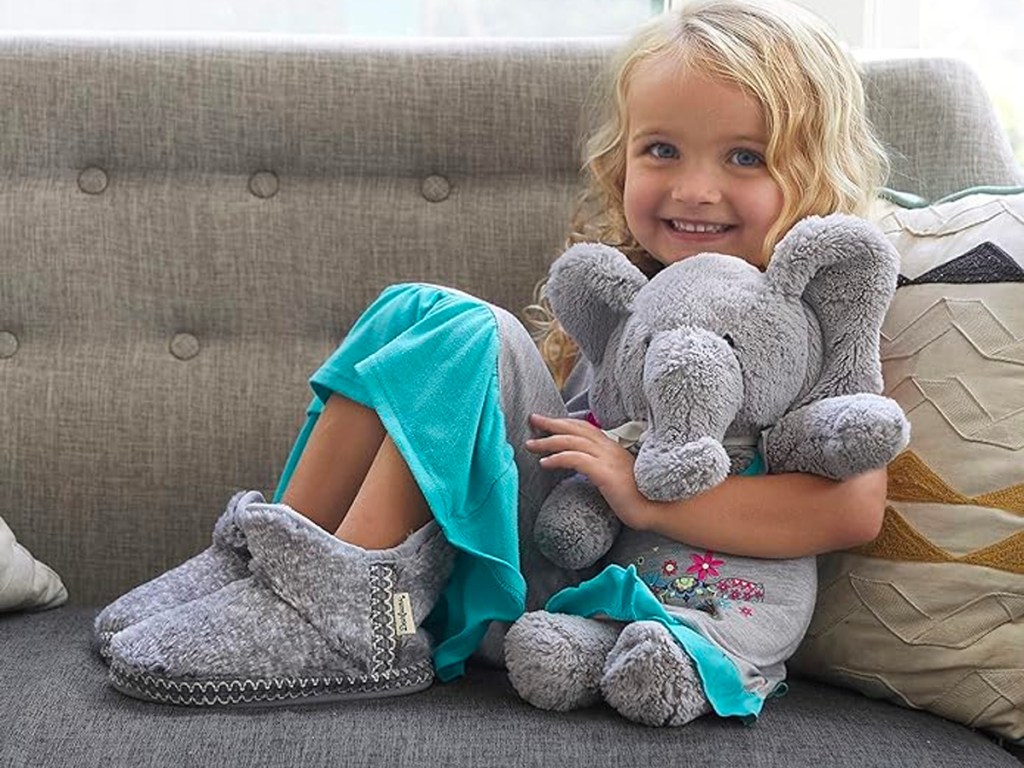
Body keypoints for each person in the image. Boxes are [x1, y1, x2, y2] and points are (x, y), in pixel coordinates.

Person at [95, 0, 891, 719]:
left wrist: (643, 499)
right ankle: (274, 567)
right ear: (622, 164)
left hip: (639, 610)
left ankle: (357, 619)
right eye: (662, 150)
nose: (695, 188)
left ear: (815, 171)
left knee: (468, 329)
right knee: (421, 311)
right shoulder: (622, 293)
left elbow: (850, 512)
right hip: (549, 561)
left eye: (744, 158)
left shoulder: (807, 319)